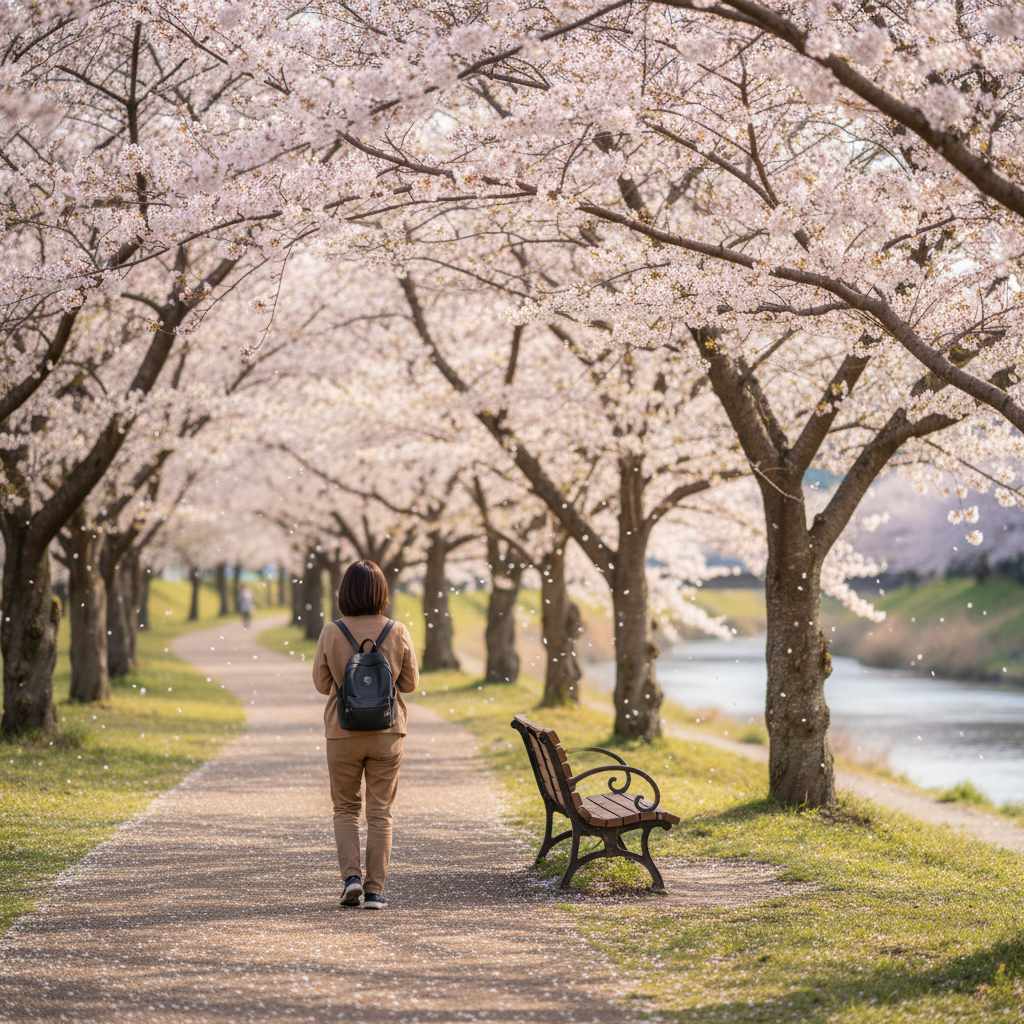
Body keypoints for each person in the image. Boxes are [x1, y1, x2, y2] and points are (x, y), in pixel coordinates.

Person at [311, 560, 418, 910]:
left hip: (343, 731)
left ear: (345, 592)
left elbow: (321, 684)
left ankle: (351, 880)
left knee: (344, 809)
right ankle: (374, 892)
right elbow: (410, 684)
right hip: (387, 733)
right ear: (382, 592)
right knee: (380, 812)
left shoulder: (331, 631)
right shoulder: (397, 630)